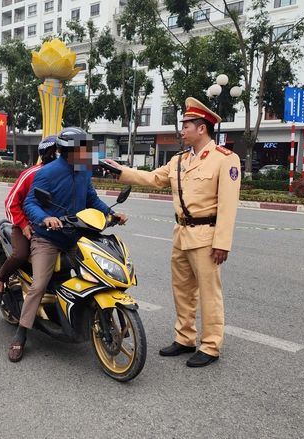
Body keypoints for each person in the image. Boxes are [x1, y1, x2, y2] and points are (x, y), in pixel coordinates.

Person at [102, 97, 240, 368]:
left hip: (207, 236)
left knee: (210, 293)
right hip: (181, 234)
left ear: (202, 128)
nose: (182, 130)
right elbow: (153, 178)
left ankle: (211, 346)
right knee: (182, 291)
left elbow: (228, 205)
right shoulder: (180, 160)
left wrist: (222, 242)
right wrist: (121, 172)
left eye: (186, 125)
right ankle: (185, 338)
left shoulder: (225, 159)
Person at [8, 127, 128, 362]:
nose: (87, 153)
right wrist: (45, 218)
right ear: (67, 151)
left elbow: (91, 199)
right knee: (39, 284)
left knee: (97, 269)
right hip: (48, 238)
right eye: (83, 149)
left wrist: (112, 213)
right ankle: (21, 333)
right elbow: (30, 203)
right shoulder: (47, 172)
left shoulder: (83, 171)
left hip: (75, 236)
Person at [0, 136, 58, 306]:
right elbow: (11, 202)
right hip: (26, 225)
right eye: (58, 151)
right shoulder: (31, 174)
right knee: (20, 255)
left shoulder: (66, 175)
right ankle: (0, 281)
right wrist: (23, 225)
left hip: (55, 227)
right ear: (49, 154)